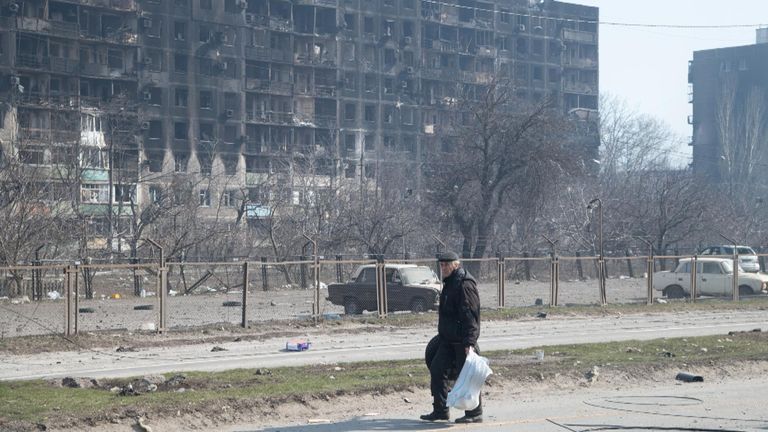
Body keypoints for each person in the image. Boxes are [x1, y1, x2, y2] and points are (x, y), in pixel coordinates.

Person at [420, 251, 483, 423]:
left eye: (446, 265)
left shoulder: (464, 284)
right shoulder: (450, 283)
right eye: (441, 265)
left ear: (456, 265)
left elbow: (470, 315)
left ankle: (475, 413)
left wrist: (469, 342)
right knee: (437, 369)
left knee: (467, 376)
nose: (443, 268)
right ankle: (440, 410)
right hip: (447, 341)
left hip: (462, 341)